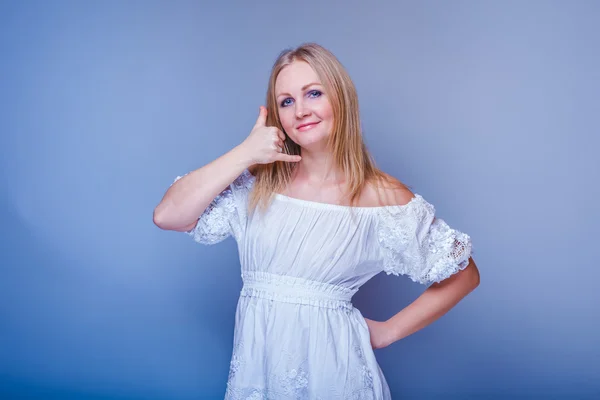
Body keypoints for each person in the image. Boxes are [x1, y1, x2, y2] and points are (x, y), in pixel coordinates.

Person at [153, 42, 480, 399]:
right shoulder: (257, 185)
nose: (301, 110)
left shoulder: (383, 198)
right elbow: (168, 216)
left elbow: (465, 274)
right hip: (258, 375)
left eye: (313, 93)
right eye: (287, 101)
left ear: (340, 98)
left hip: (337, 377)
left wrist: (387, 331)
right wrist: (245, 153)